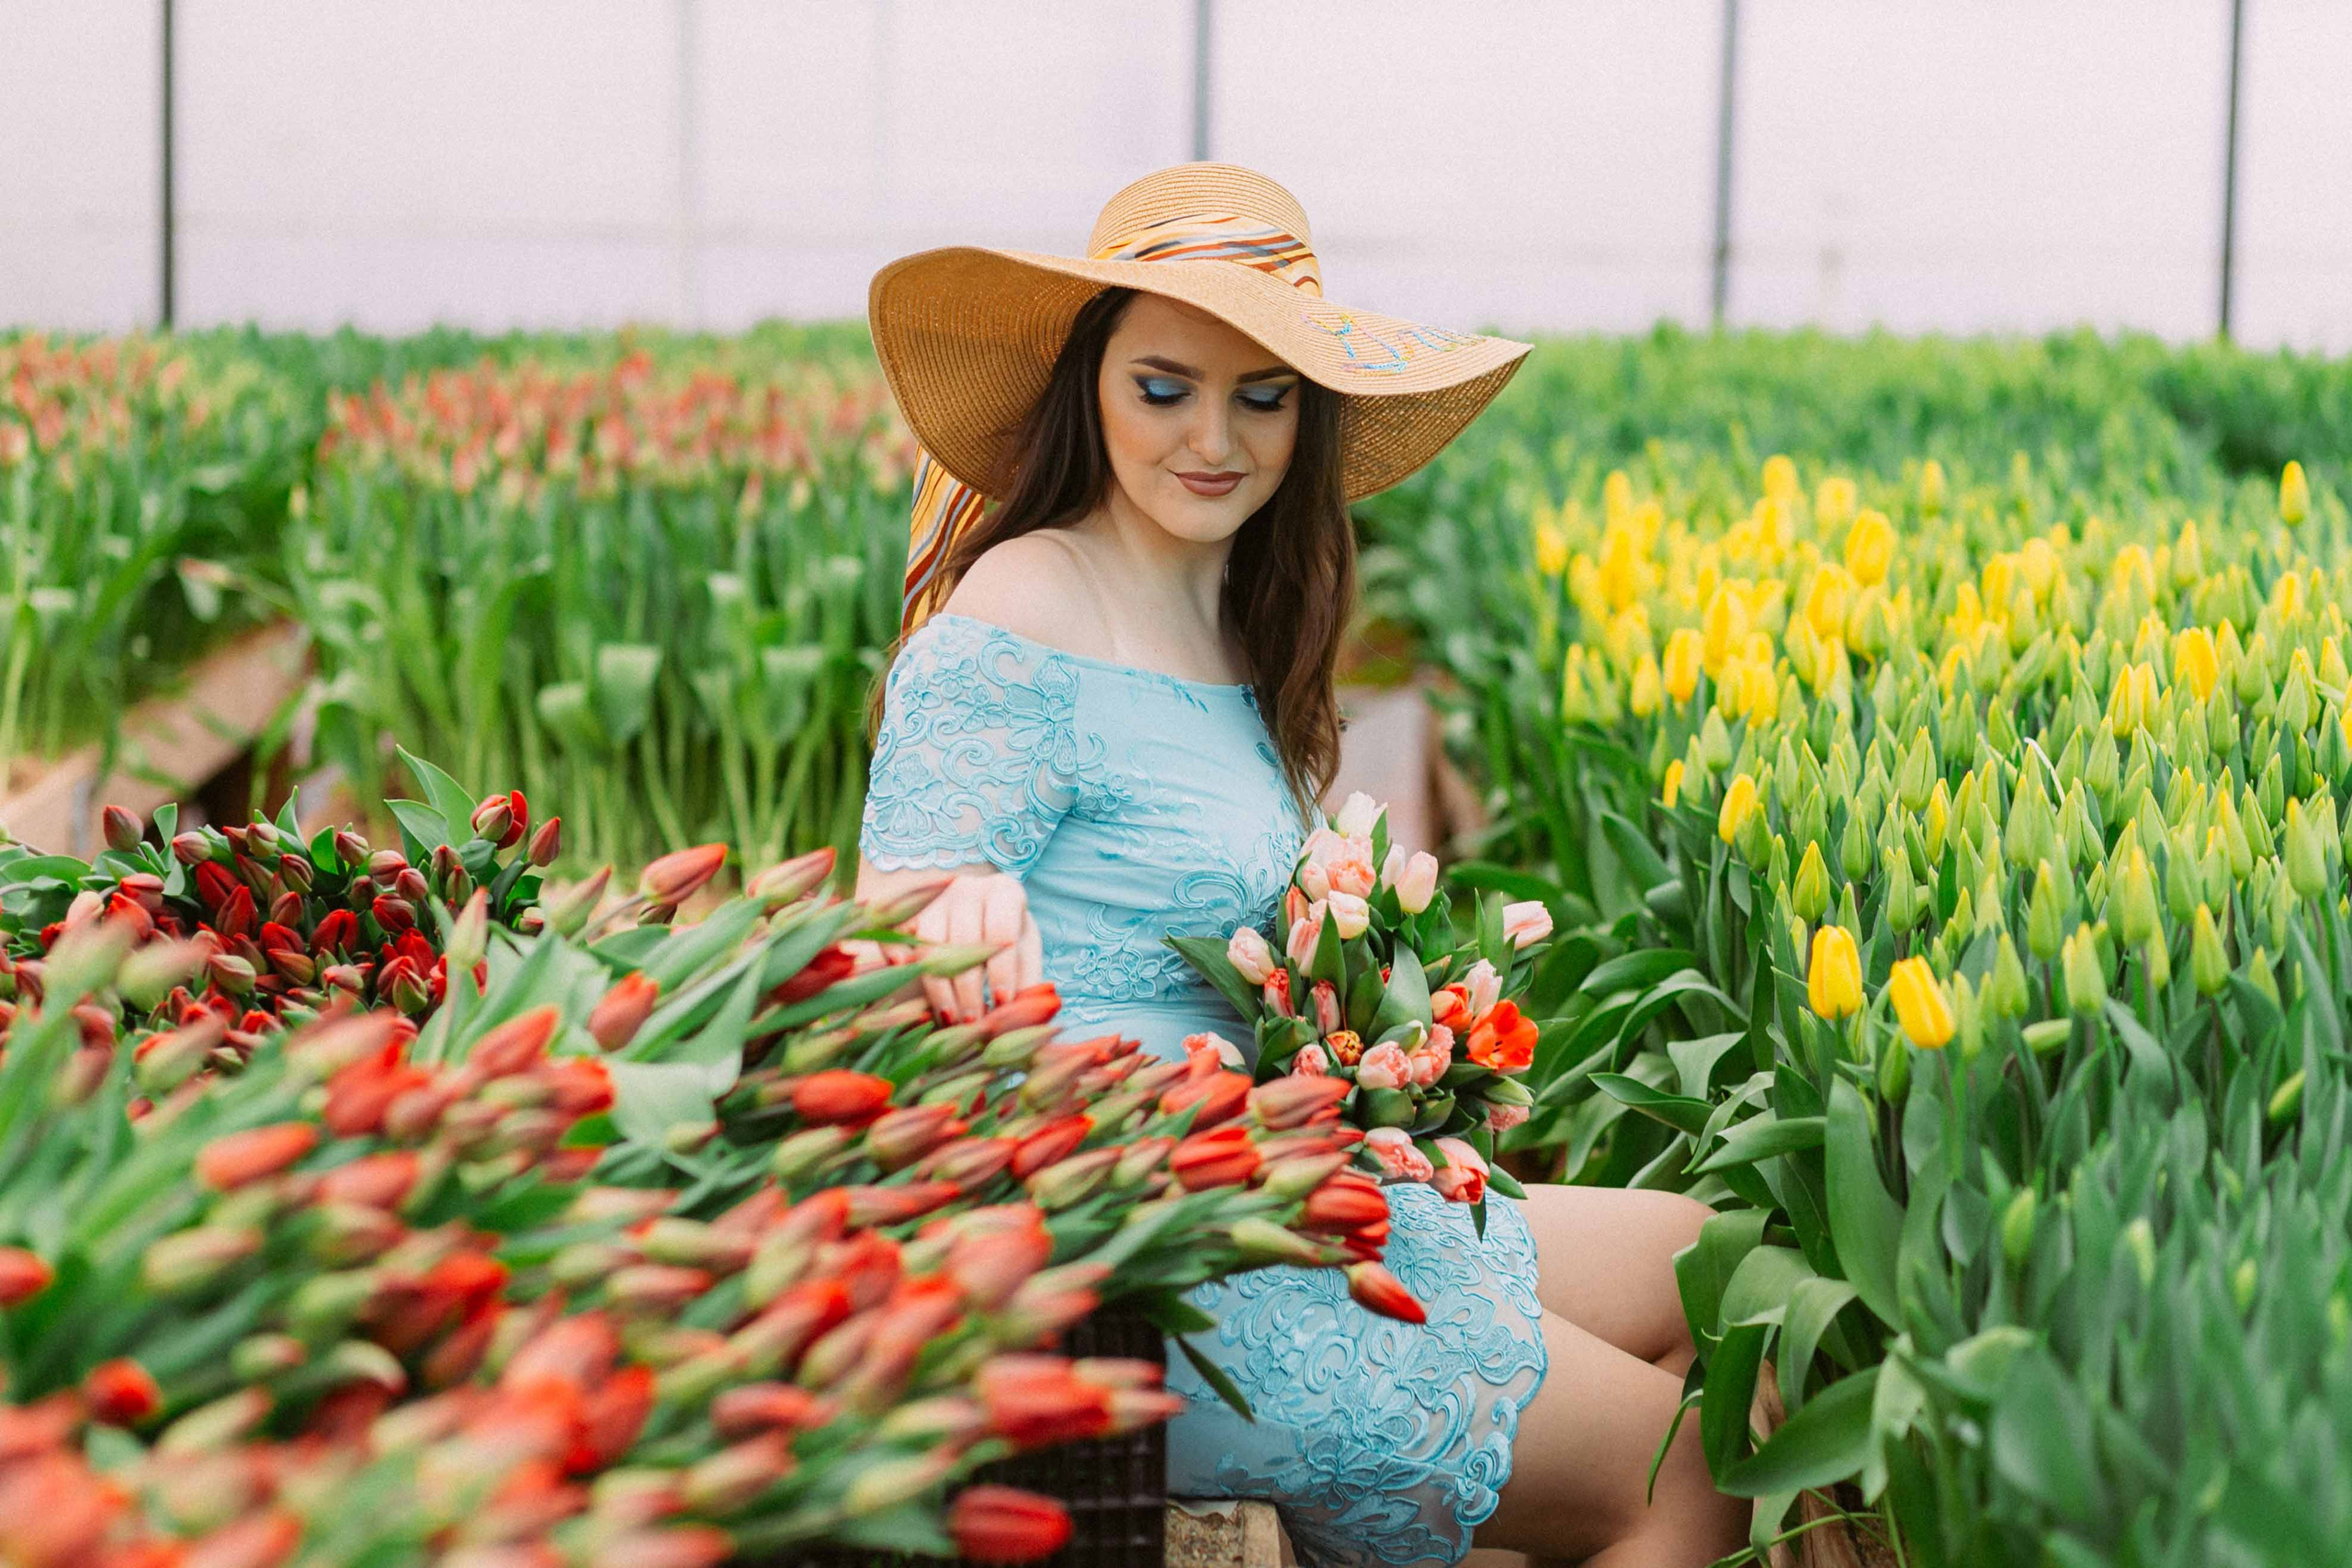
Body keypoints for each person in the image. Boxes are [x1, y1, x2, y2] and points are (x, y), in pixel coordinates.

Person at [854, 164, 1747, 1568]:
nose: (1214, 439)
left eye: (1262, 398)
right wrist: (933, 920)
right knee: (1681, 1469)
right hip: (1135, 1259)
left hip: (1275, 1191)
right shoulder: (1028, 599)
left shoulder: (1227, 616)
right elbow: (893, 920)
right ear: (1090, 384)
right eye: (1164, 388)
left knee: (1721, 1269)